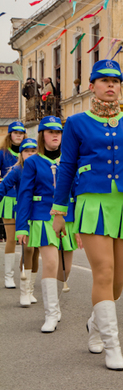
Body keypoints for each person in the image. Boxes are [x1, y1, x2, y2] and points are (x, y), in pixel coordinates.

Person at [51, 60, 123, 370]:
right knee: (103, 271)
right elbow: (67, 168)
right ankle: (113, 346)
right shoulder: (76, 123)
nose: (110, 85)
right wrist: (60, 208)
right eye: (104, 80)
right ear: (92, 85)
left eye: (115, 80)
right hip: (93, 203)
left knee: (117, 281)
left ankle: (95, 323)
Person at [15, 117, 77, 331]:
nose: (55, 135)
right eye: (50, 132)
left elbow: (76, 192)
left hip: (67, 219)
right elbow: (24, 195)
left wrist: (78, 224)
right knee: (50, 263)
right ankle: (50, 314)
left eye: (58, 132)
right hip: (42, 217)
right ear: (42, 135)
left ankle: (56, 305)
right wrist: (22, 225)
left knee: (64, 270)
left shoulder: (70, 160)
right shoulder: (33, 161)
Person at [0, 138, 38, 305]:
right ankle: (24, 291)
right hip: (23, 212)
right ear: (21, 154)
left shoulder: (43, 167)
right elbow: (3, 187)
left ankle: (30, 289)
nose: (30, 154)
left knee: (36, 251)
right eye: (27, 151)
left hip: (40, 214)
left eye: (33, 151)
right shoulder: (17, 169)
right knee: (28, 248)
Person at [0, 121, 26, 288]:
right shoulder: (2, 153)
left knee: (26, 240)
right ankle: (8, 276)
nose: (18, 135)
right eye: (15, 132)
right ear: (10, 135)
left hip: (26, 199)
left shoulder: (29, 152)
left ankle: (25, 271)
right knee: (11, 238)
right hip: (8, 199)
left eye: (21, 132)